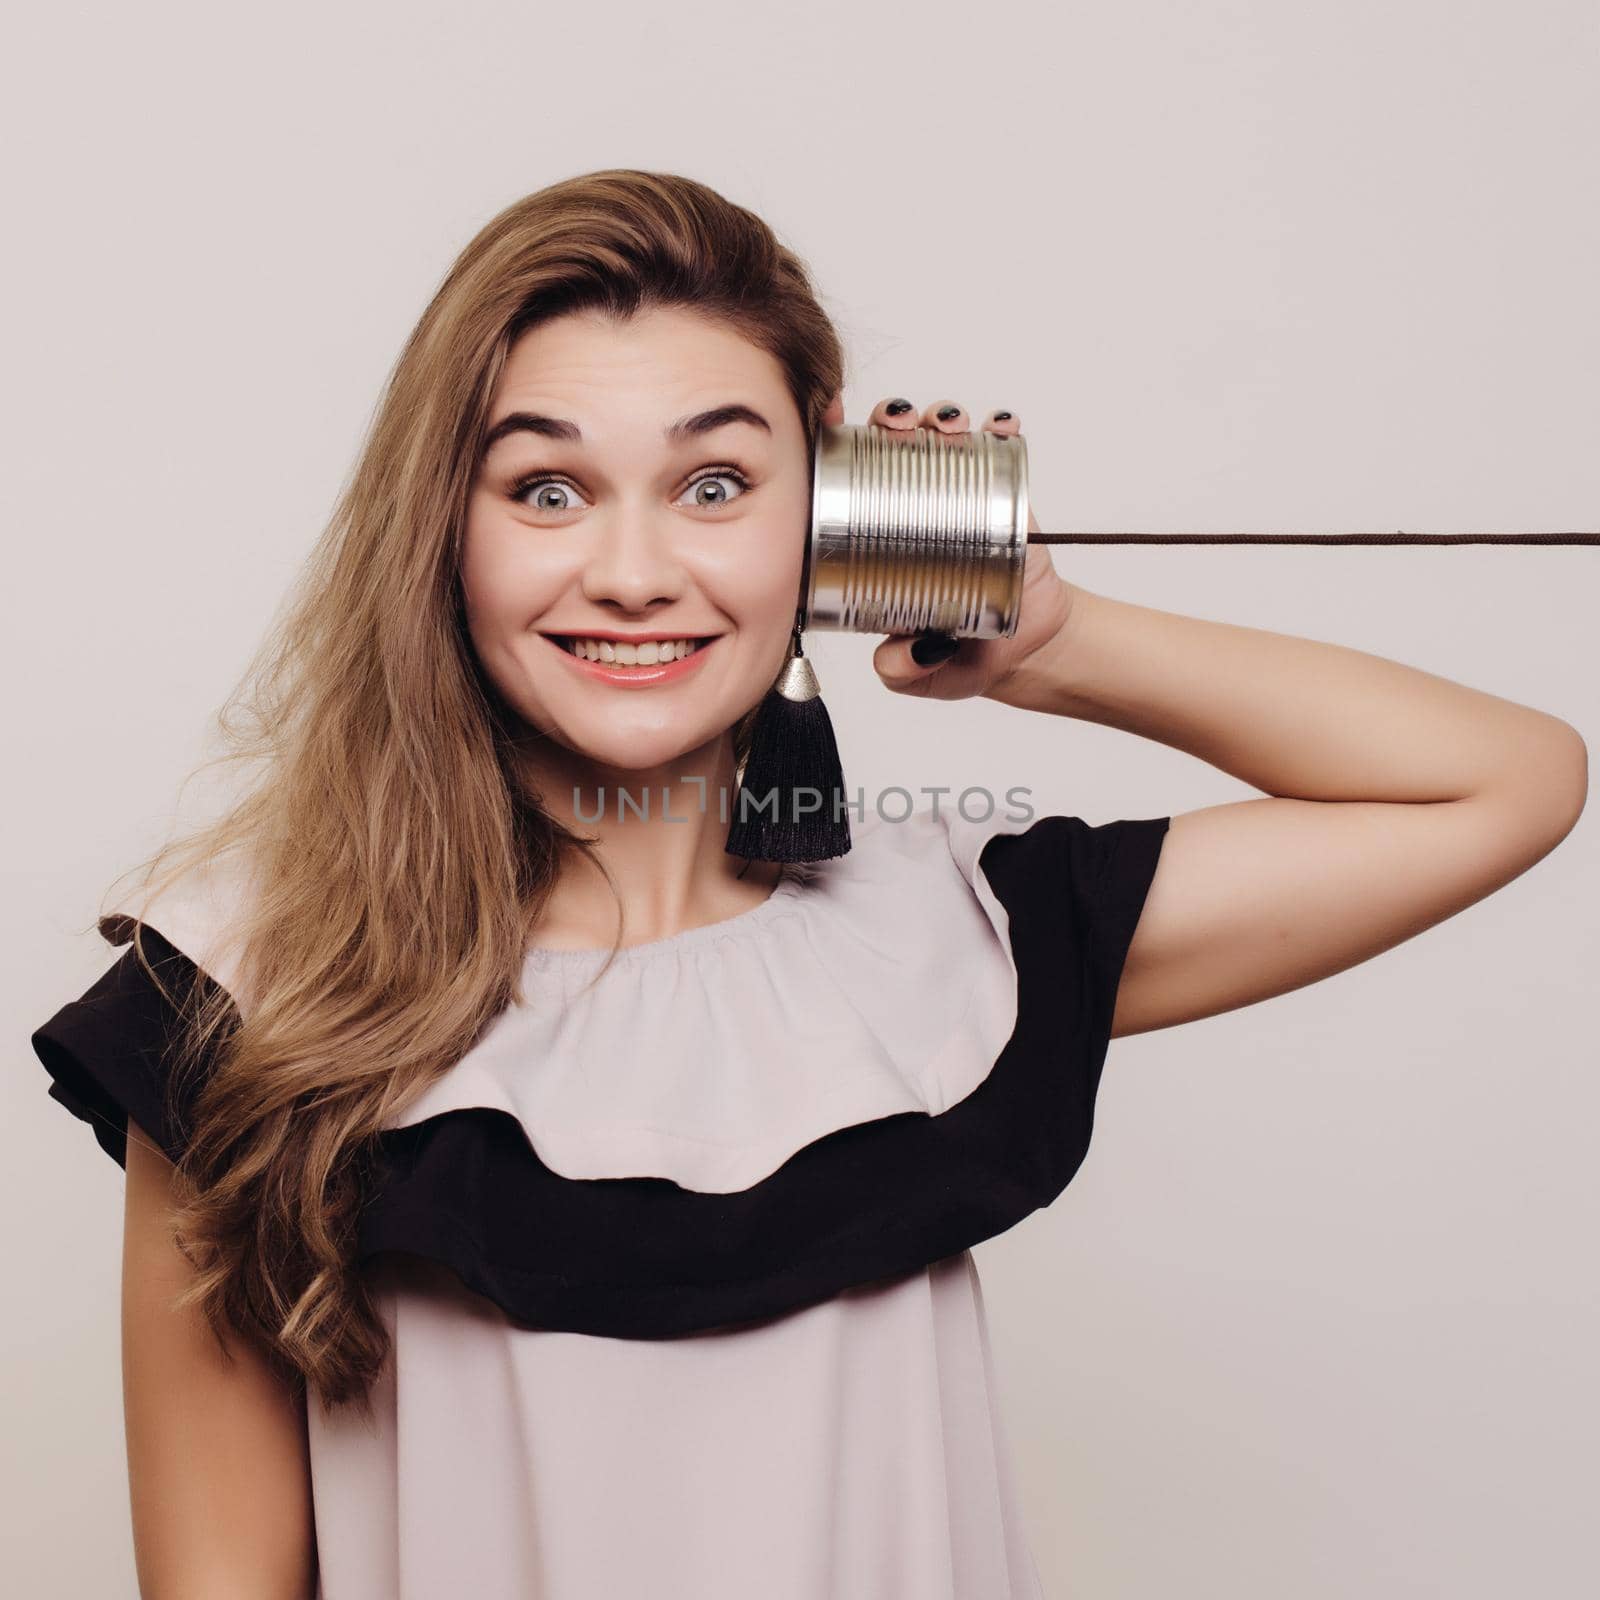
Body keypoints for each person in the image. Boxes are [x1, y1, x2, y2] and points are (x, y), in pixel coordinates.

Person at [28, 168, 1587, 1600]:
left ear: (825, 525)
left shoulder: (959, 943)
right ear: (443, 533)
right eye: (547, 490)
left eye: (715, 487)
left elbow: (1506, 781)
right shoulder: (244, 998)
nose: (634, 572)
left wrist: (1047, 632)